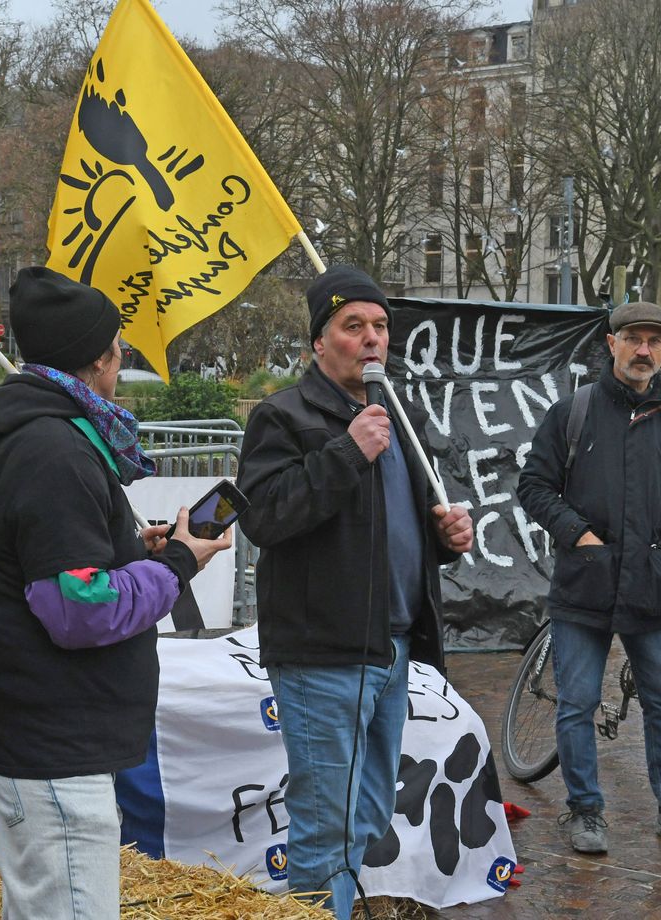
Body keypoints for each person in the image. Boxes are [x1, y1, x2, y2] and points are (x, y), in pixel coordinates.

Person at [0, 266, 231, 920]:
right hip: (49, 741)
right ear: (99, 359)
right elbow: (78, 609)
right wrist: (179, 563)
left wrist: (133, 552)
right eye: (119, 348)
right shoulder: (56, 451)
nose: (122, 359)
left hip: (41, 734)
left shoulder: (46, 436)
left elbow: (60, 568)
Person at [236, 265, 473, 919]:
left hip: (388, 648)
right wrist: (346, 452)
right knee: (326, 827)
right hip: (323, 654)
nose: (372, 338)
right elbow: (263, 517)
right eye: (353, 325)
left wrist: (444, 536)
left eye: (381, 325)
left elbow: (394, 526)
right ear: (319, 340)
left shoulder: (395, 415)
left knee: (366, 813)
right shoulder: (283, 416)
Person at [516, 301, 661, 854]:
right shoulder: (574, 411)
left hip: (650, 586)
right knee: (577, 702)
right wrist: (579, 535)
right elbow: (534, 485)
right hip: (585, 584)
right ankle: (585, 810)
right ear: (612, 343)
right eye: (634, 339)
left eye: (655, 341)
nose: (644, 350)